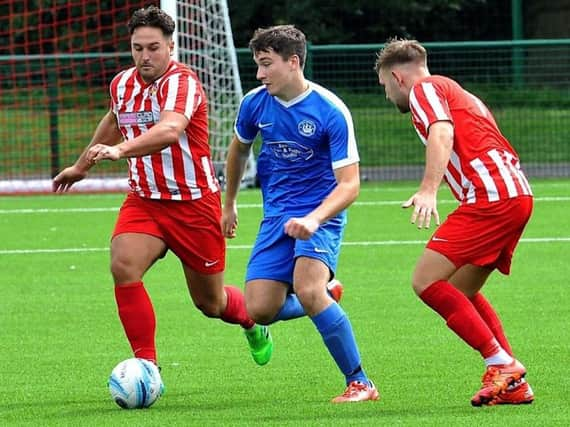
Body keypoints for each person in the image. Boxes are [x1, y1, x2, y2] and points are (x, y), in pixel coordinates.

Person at [52, 6, 273, 371]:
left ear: (171, 46)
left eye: (153, 47)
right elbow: (114, 118)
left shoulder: (182, 83)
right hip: (145, 200)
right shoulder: (121, 83)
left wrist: (120, 150)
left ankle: (251, 322)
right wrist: (81, 166)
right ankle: (147, 367)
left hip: (193, 203)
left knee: (211, 304)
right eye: (138, 48)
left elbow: (170, 130)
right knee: (123, 266)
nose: (145, 56)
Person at [222, 25, 378, 403]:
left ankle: (360, 382)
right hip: (276, 217)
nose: (259, 74)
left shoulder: (330, 110)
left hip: (319, 214)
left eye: (266, 65)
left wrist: (314, 219)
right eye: (257, 65)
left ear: (293, 62)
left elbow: (349, 185)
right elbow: (239, 151)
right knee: (260, 309)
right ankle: (328, 295)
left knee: (308, 290)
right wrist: (228, 203)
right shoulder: (254, 104)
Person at [374, 38, 534, 406]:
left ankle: (503, 365)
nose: (386, 95)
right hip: (514, 193)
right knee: (460, 290)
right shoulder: (458, 91)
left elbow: (442, 131)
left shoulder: (425, 88)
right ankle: (512, 383)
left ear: (397, 76)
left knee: (425, 281)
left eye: (384, 86)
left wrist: (429, 189)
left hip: (491, 196)